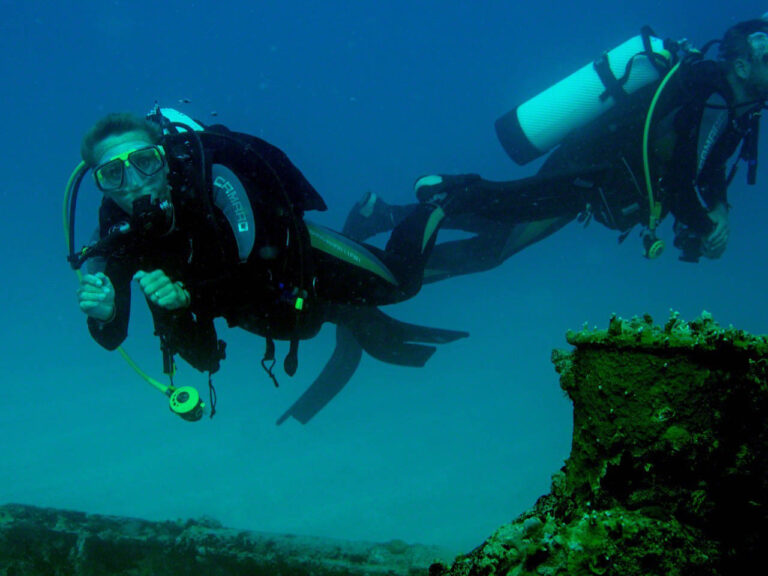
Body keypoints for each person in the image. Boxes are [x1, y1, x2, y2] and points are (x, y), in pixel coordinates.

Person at [72, 109, 467, 410]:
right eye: (113, 174)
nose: (135, 181)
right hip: (268, 309)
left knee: (401, 282)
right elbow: (137, 343)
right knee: (305, 322)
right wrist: (105, 316)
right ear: (100, 184)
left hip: (300, 258)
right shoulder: (117, 232)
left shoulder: (215, 180)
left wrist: (189, 299)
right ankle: (365, 228)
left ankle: (435, 201)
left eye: (145, 161)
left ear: (165, 157)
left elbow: (257, 261)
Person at [345, 17, 768, 269]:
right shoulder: (709, 95)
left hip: (593, 177)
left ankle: (384, 215)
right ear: (744, 64)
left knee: (503, 229)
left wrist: (719, 211)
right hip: (586, 173)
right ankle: (411, 237)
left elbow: (707, 166)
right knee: (497, 247)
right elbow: (678, 180)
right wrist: (707, 226)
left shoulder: (736, 107)